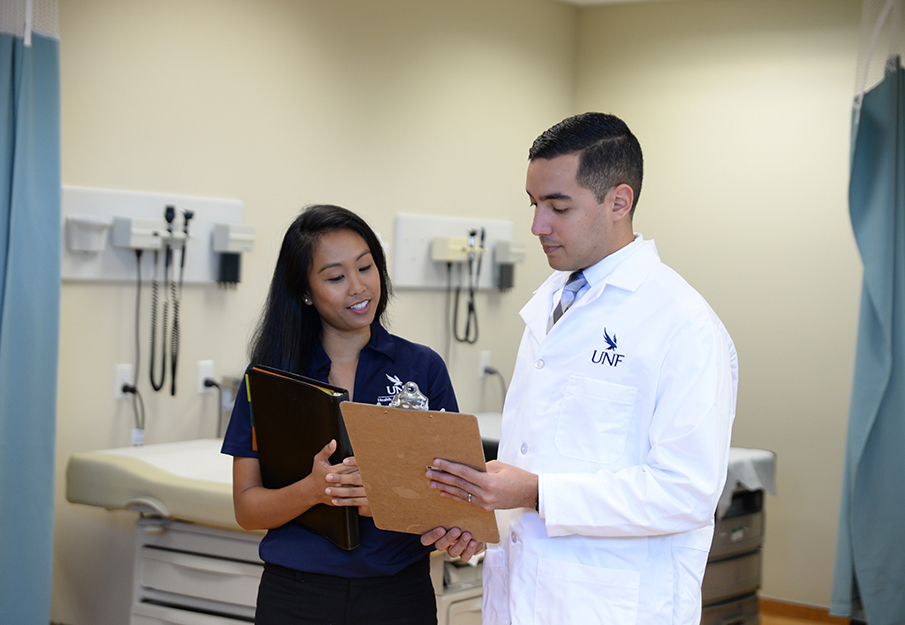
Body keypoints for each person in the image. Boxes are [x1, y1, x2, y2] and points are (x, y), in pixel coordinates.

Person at [423, 113, 738, 624]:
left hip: (614, 605)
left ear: (619, 201)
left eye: (557, 206)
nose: (537, 226)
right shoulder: (553, 303)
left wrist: (534, 491)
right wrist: (481, 518)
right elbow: (538, 455)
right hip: (522, 595)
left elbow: (686, 492)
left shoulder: (682, 324)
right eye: (533, 204)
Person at [221, 204, 462, 625]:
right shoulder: (271, 381)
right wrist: (314, 490)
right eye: (335, 277)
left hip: (399, 595)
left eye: (365, 268)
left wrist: (387, 499)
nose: (358, 287)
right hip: (296, 597)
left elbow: (455, 497)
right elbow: (247, 508)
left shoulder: (422, 369)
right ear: (305, 291)